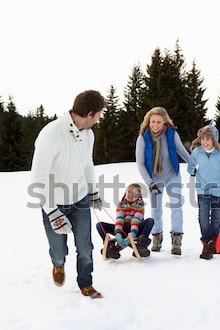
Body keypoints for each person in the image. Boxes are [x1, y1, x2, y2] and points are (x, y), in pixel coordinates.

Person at [30, 90, 106, 298]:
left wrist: (93, 191)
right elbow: (38, 178)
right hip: (53, 203)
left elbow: (87, 163)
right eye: (99, 115)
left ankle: (86, 283)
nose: (99, 119)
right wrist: (52, 212)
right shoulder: (51, 134)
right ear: (89, 114)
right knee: (58, 249)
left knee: (85, 247)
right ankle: (58, 265)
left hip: (80, 199)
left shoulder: (88, 134)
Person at [135, 106, 190, 255]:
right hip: (154, 179)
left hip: (172, 175)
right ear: (148, 121)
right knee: (156, 210)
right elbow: (140, 163)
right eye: (153, 121)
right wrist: (150, 183)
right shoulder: (143, 138)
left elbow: (181, 151)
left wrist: (192, 165)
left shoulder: (171, 134)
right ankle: (157, 237)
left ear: (164, 122)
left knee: (176, 206)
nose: (155, 125)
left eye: (159, 122)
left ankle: (176, 240)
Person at [187, 124, 220, 259]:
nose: (205, 142)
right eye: (203, 138)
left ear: (214, 140)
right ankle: (207, 243)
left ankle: (214, 242)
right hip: (203, 188)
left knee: (216, 217)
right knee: (203, 217)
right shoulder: (197, 152)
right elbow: (191, 165)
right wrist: (192, 170)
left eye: (208, 139)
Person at [96, 183, 154, 259]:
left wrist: (133, 234)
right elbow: (119, 220)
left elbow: (135, 220)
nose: (131, 195)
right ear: (125, 192)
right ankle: (110, 247)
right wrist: (118, 234)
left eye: (134, 194)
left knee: (150, 221)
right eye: (129, 192)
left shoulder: (140, 205)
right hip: (123, 229)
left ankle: (141, 245)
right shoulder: (120, 205)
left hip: (136, 229)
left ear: (139, 197)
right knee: (100, 225)